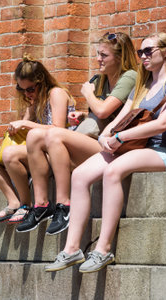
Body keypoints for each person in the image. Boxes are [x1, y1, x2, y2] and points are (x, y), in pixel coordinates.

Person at [45, 33, 166, 273]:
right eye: (141, 52)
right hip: (132, 146)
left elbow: (162, 124)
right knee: (81, 175)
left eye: (149, 51)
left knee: (113, 171)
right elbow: (120, 117)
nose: (143, 56)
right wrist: (106, 135)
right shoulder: (142, 84)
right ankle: (72, 249)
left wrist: (120, 137)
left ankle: (103, 250)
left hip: (160, 150)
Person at [22, 32, 138, 234]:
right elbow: (100, 114)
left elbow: (103, 110)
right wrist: (82, 115)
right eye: (98, 54)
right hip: (97, 144)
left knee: (53, 135)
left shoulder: (129, 76)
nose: (98, 59)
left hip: (116, 148)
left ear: (119, 58)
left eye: (104, 55)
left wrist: (88, 94)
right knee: (34, 136)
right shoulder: (100, 80)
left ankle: (64, 205)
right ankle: (41, 205)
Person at [0, 56, 76, 224]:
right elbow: (25, 132)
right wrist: (29, 113)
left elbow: (58, 129)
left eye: (30, 89)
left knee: (10, 154)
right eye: (21, 89)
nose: (26, 93)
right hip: (36, 151)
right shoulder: (34, 100)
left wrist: (25, 123)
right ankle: (13, 201)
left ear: (42, 82)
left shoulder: (56, 94)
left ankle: (26, 204)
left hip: (57, 152)